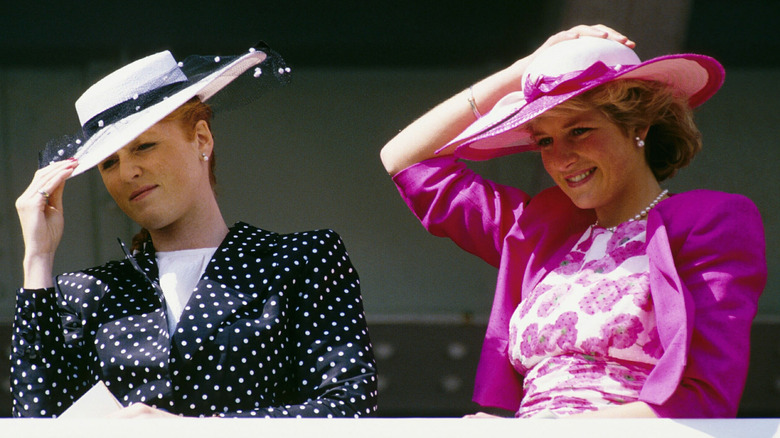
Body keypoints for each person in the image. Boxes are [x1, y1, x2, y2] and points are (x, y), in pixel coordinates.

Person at [380, 24, 766, 418]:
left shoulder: (712, 222)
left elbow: (704, 401)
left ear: (637, 126)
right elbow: (406, 160)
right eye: (544, 140)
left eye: (579, 131)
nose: (561, 159)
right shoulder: (537, 229)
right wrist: (526, 68)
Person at [13, 43, 377, 418]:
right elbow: (37, 423)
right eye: (108, 163)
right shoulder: (87, 293)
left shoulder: (300, 261)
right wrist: (38, 260)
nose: (127, 173)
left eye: (144, 146)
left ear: (201, 139)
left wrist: (194, 430)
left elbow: (349, 405)